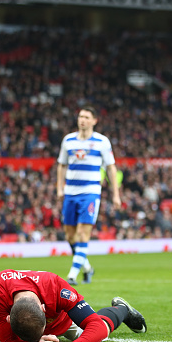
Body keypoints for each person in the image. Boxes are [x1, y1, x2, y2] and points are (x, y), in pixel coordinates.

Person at [0, 269, 146, 342]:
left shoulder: (55, 287)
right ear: (8, 316)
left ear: (43, 308)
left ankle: (122, 309)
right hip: (26, 327)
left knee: (99, 334)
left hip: (62, 321)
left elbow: (96, 326)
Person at [56, 106, 121, 285]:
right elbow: (61, 165)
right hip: (70, 192)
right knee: (70, 236)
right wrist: (59, 189)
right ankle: (87, 268)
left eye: (86, 117)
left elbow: (111, 167)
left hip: (90, 193)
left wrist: (116, 194)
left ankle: (71, 275)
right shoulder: (68, 140)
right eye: (80, 116)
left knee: (83, 234)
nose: (82, 119)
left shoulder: (102, 142)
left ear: (94, 121)